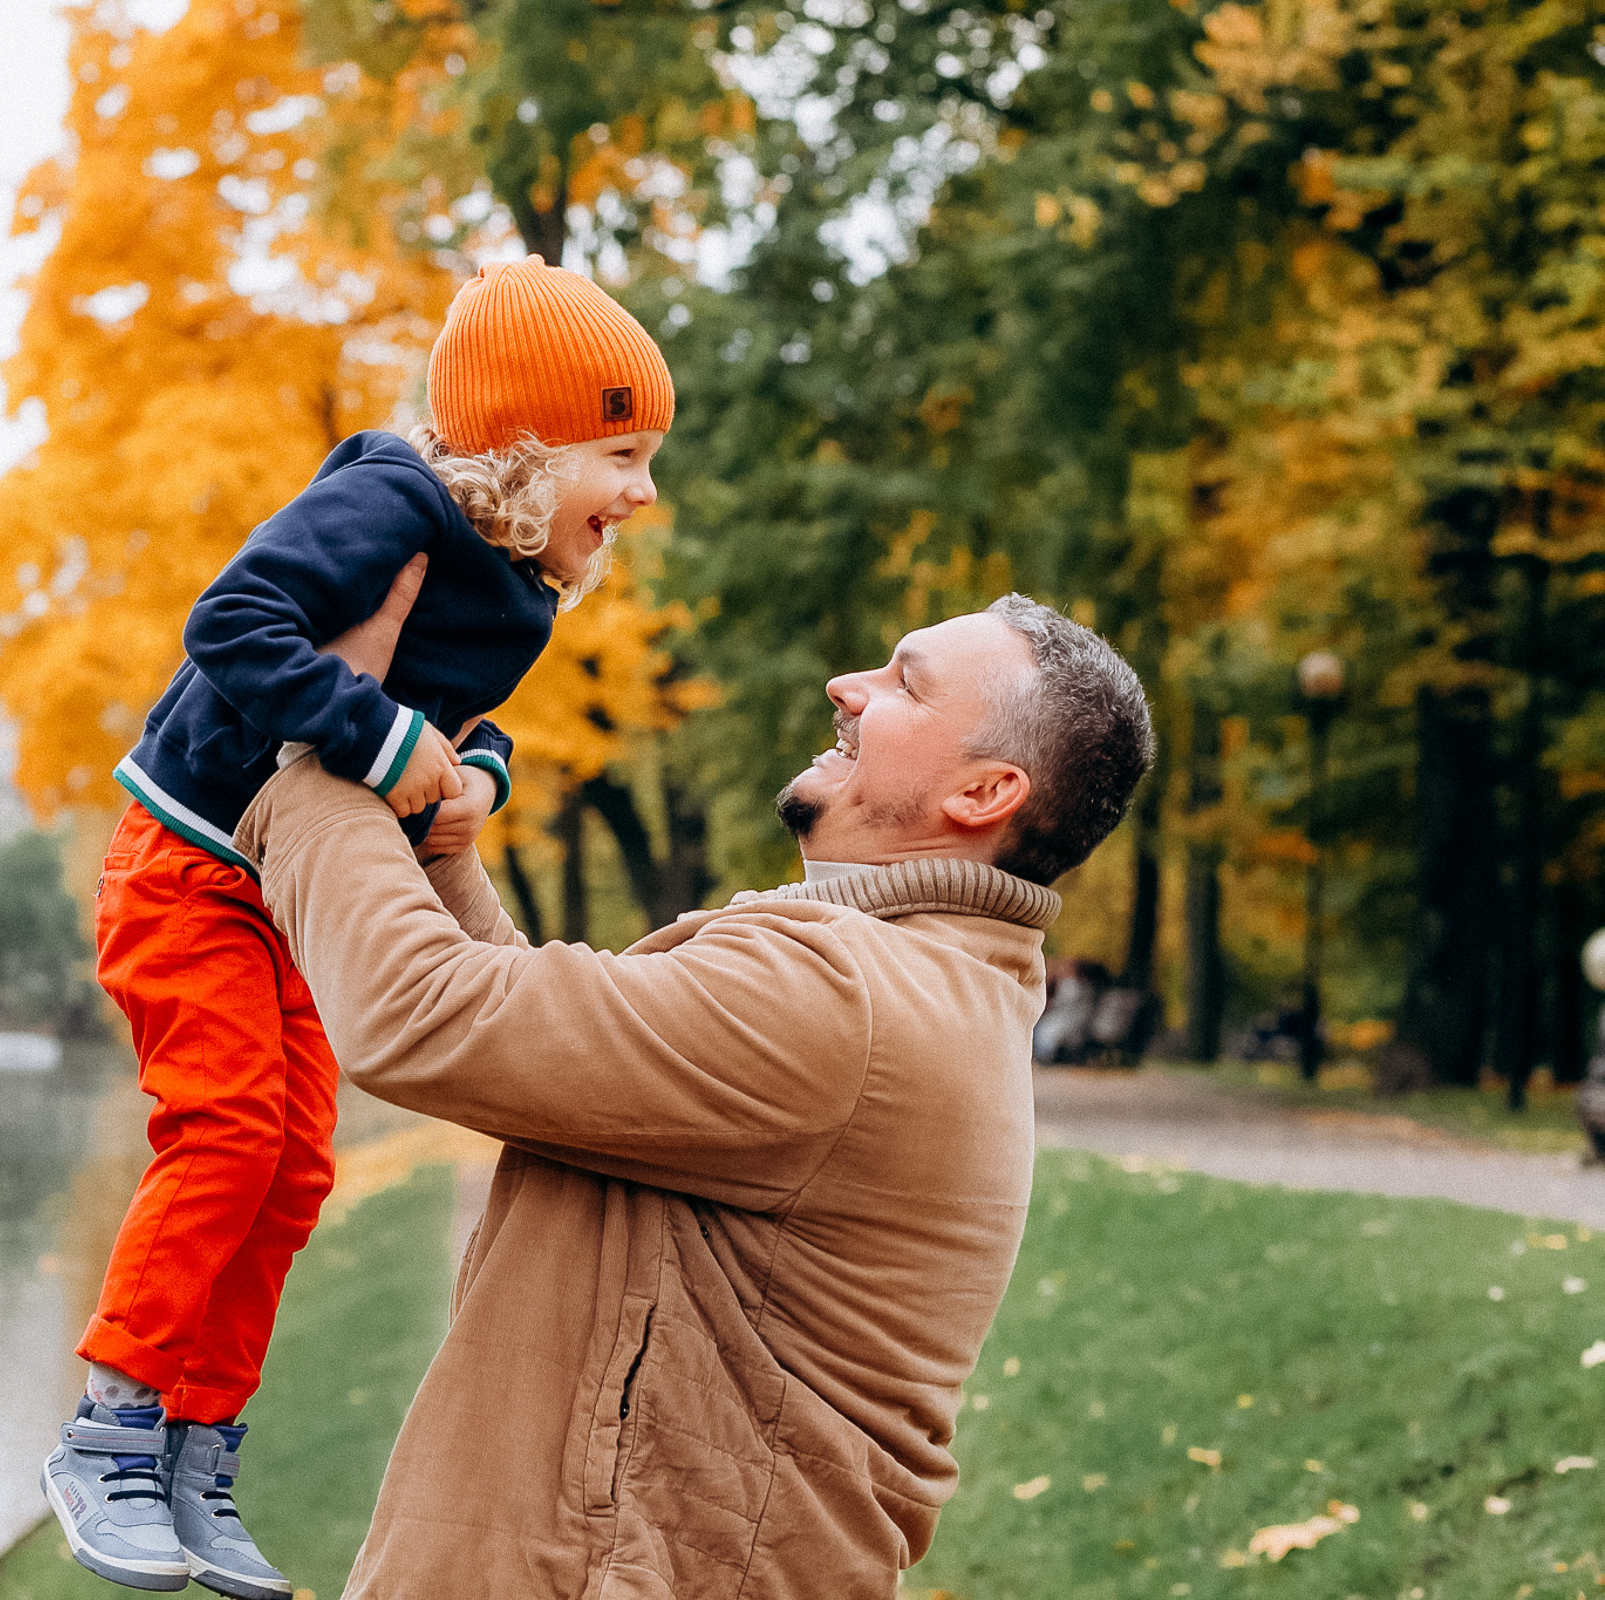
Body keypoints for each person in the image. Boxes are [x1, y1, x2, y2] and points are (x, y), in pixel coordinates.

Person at [229, 587, 1154, 1598]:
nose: (848, 686)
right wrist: (439, 854)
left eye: (904, 683)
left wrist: (317, 752)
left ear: (985, 793)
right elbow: (562, 1063)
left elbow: (421, 1016)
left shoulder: (848, 1000)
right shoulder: (911, 982)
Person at [41, 256, 676, 1599]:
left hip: (285, 894)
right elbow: (235, 625)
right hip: (189, 861)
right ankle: (111, 1432)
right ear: (526, 446)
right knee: (222, 1132)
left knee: (293, 1166)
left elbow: (448, 713)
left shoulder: (516, 585)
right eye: (620, 453)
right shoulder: (388, 501)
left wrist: (473, 773)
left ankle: (197, 1451)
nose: (642, 492)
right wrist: (377, 738)